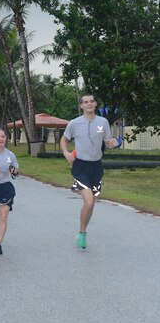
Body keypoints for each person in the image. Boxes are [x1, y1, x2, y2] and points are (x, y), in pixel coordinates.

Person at [60, 94, 119, 249]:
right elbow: (64, 139)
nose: (89, 104)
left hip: (96, 167)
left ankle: (82, 230)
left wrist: (112, 144)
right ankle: (82, 232)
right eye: (85, 102)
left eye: (91, 101)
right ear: (81, 106)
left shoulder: (103, 122)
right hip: (80, 167)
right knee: (89, 200)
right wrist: (66, 153)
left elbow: (107, 142)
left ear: (95, 103)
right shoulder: (74, 123)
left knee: (91, 203)